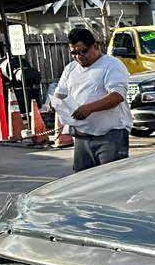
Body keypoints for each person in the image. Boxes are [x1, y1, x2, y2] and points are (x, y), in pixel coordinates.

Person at [52, 26, 131, 171]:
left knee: (111, 179)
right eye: (74, 53)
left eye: (83, 51)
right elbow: (60, 94)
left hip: (109, 135)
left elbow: (117, 96)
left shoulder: (111, 65)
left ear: (95, 46)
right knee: (83, 182)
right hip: (82, 137)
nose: (79, 56)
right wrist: (56, 104)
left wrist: (89, 108)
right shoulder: (70, 69)